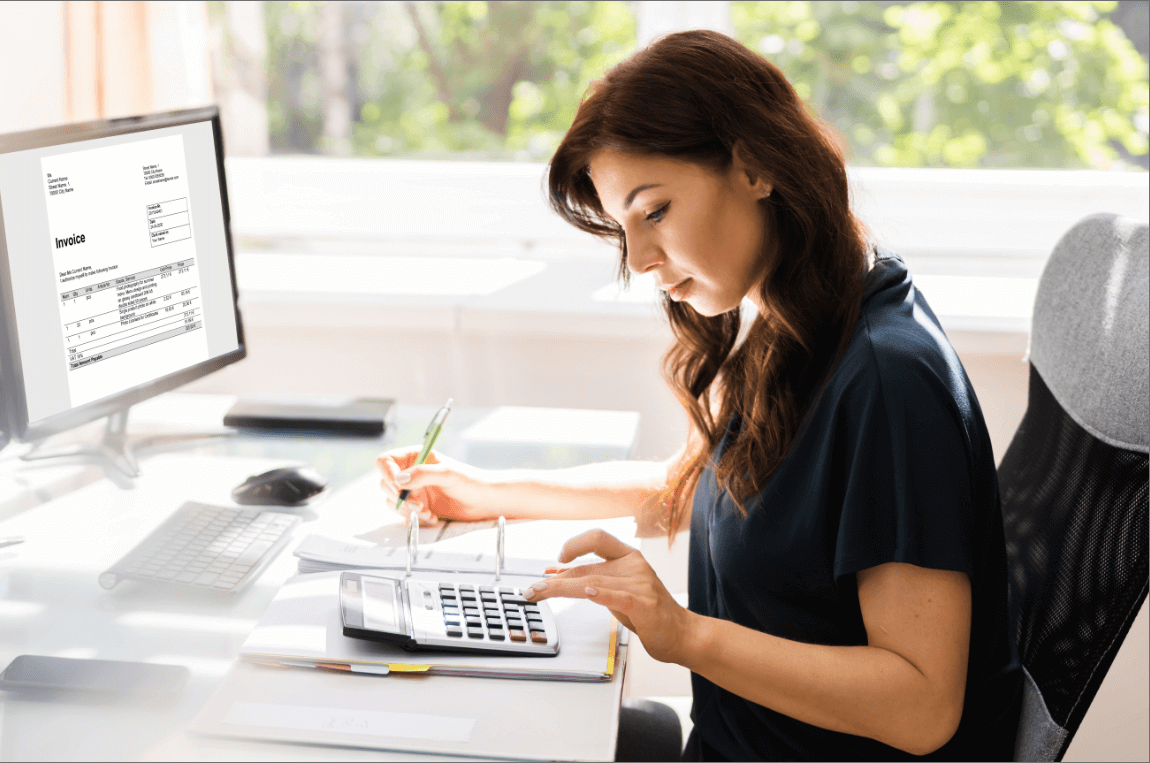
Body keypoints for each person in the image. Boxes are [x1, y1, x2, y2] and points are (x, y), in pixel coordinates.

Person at [376, 30, 1020, 761]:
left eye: (655, 212)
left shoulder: (886, 382)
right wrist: (492, 492)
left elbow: (921, 705)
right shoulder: (797, 315)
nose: (641, 261)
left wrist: (681, 633)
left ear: (754, 167)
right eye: (623, 228)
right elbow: (712, 492)